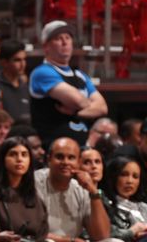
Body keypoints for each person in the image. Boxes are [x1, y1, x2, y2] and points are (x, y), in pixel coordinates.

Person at [29, 20, 108, 148]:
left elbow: (102, 108)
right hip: (54, 149)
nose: (65, 42)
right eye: (58, 38)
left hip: (81, 148)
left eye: (68, 37)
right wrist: (88, 105)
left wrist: (76, 113)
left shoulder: (80, 75)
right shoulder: (42, 72)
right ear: (46, 47)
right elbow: (79, 102)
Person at [102, 156, 147, 242]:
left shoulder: (144, 207)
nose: (130, 181)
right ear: (113, 177)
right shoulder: (105, 204)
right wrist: (132, 231)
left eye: (135, 176)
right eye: (124, 175)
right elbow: (105, 235)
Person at [0, 39, 30, 123]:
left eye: (24, 59)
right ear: (4, 63)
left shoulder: (26, 86)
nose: (23, 64)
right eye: (17, 60)